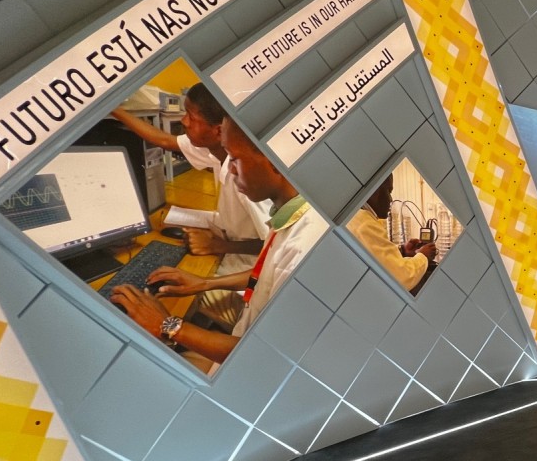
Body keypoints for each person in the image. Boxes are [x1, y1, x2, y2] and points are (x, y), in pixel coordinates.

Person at [109, 119, 329, 366]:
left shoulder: (302, 247)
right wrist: (204, 282)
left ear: (274, 160)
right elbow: (265, 274)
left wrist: (169, 325)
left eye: (235, 159)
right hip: (246, 334)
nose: (231, 170)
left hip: (243, 366)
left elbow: (263, 357)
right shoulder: (289, 212)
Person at [111, 83, 270, 327]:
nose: (183, 122)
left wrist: (218, 245)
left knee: (167, 300)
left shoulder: (246, 180)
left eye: (191, 117)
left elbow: (272, 248)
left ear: (219, 131)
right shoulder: (215, 151)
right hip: (232, 258)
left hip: (245, 279)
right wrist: (114, 110)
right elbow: (163, 140)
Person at [345, 174, 437, 294]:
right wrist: (423, 256)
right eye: (389, 191)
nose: (391, 199)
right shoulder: (364, 224)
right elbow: (402, 278)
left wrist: (402, 250)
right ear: (375, 192)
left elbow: (377, 259)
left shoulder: (357, 217)